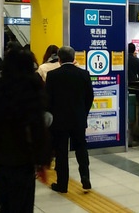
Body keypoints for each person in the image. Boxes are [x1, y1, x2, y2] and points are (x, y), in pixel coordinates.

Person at [0, 48, 51, 212]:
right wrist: (42, 161)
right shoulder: (31, 89)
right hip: (21, 159)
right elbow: (37, 129)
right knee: (22, 204)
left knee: (4, 197)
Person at [46, 46, 94, 193]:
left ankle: (62, 184)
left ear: (59, 59)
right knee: (81, 148)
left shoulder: (52, 75)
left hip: (59, 120)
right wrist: (83, 113)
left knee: (61, 152)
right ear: (74, 58)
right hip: (78, 119)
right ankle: (85, 177)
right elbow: (89, 97)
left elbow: (48, 99)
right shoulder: (84, 74)